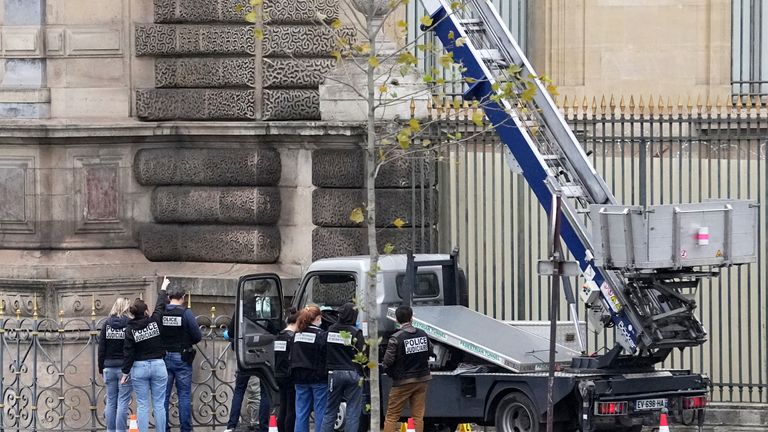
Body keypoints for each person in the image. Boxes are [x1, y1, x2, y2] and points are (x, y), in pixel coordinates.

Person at [158, 280, 202, 432]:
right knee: (183, 395)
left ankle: (163, 428)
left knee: (163, 397)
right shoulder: (186, 313)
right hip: (182, 358)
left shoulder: (162, 312)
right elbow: (197, 336)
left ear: (169, 297)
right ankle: (186, 429)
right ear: (182, 297)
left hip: (164, 358)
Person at [122, 289, 169, 432]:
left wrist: (125, 373)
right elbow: (160, 306)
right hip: (158, 365)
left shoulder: (130, 329)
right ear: (147, 311)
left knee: (142, 405)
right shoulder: (154, 322)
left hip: (139, 367)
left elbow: (128, 352)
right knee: (159, 405)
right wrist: (163, 289)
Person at [381, 306, 433, 432]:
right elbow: (430, 351)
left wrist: (390, 373)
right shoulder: (423, 334)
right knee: (418, 417)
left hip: (402, 382)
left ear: (397, 320)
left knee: (392, 416)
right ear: (411, 318)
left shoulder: (396, 338)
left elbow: (387, 362)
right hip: (422, 379)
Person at [320, 303, 366, 432]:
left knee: (330, 410)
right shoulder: (355, 332)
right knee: (353, 411)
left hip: (334, 373)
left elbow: (322, 350)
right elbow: (363, 355)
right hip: (353, 373)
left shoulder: (329, 331)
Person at [291, 305, 328, 432]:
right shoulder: (321, 335)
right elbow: (325, 356)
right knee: (320, 412)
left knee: (301, 412)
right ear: (317, 318)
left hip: (300, 378)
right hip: (318, 378)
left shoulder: (296, 335)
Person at [99, 297, 133, 432]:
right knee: (123, 402)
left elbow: (101, 349)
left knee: (111, 402)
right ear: (126, 308)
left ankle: (110, 430)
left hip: (109, 367)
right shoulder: (129, 324)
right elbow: (131, 348)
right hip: (124, 368)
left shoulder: (106, 324)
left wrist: (101, 368)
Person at [275, 308, 299, 432]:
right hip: (290, 375)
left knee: (283, 406)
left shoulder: (279, 335)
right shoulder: (292, 337)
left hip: (279, 374)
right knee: (291, 408)